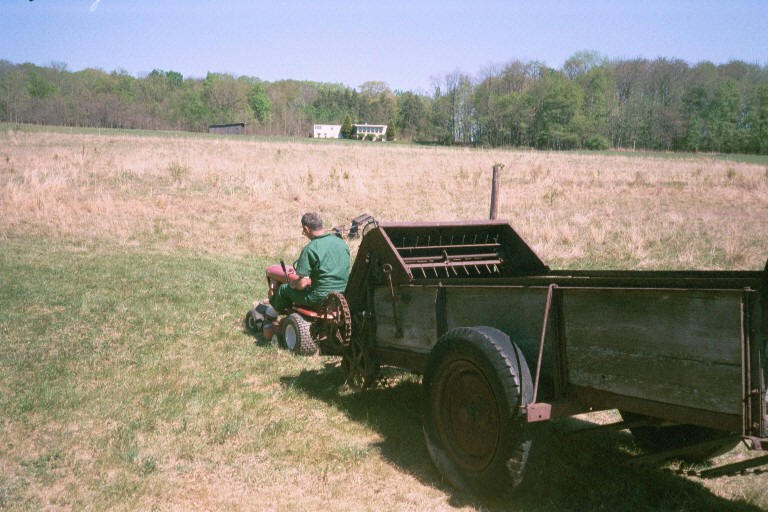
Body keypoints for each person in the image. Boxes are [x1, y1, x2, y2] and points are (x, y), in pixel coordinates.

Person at [263, 212, 350, 323]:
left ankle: (271, 316)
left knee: (284, 289)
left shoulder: (310, 249)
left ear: (306, 228)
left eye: (304, 231)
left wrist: (293, 284)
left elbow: (302, 284)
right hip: (342, 295)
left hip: (319, 298)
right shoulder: (342, 244)